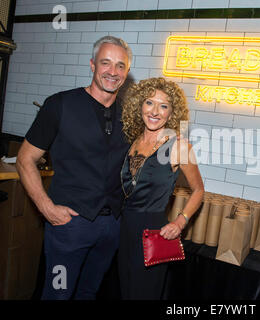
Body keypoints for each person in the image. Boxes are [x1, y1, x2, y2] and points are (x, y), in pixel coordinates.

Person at [16, 36, 132, 300]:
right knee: (58, 294)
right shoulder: (59, 104)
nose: (113, 72)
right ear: (92, 65)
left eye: (120, 65)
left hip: (111, 226)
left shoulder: (129, 114)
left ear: (126, 72)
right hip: (69, 225)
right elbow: (25, 159)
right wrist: (46, 208)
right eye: (106, 63)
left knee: (88, 294)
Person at [118, 77, 204, 300]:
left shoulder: (178, 145)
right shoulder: (133, 140)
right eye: (149, 103)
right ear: (140, 105)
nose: (155, 111)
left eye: (163, 105)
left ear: (171, 113)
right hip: (123, 229)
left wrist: (180, 221)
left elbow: (199, 190)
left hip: (153, 234)